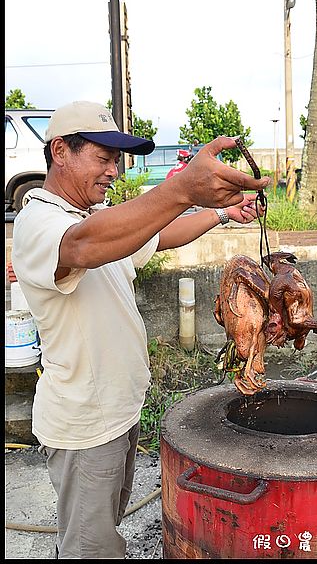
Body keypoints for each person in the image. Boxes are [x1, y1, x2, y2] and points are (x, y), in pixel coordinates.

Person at [11, 100, 269, 559]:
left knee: (105, 526)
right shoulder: (41, 221)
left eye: (117, 160)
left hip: (120, 411)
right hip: (85, 424)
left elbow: (158, 235)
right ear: (60, 151)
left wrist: (225, 214)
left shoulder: (94, 217)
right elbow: (85, 247)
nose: (113, 170)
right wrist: (182, 190)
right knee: (90, 548)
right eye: (102, 157)